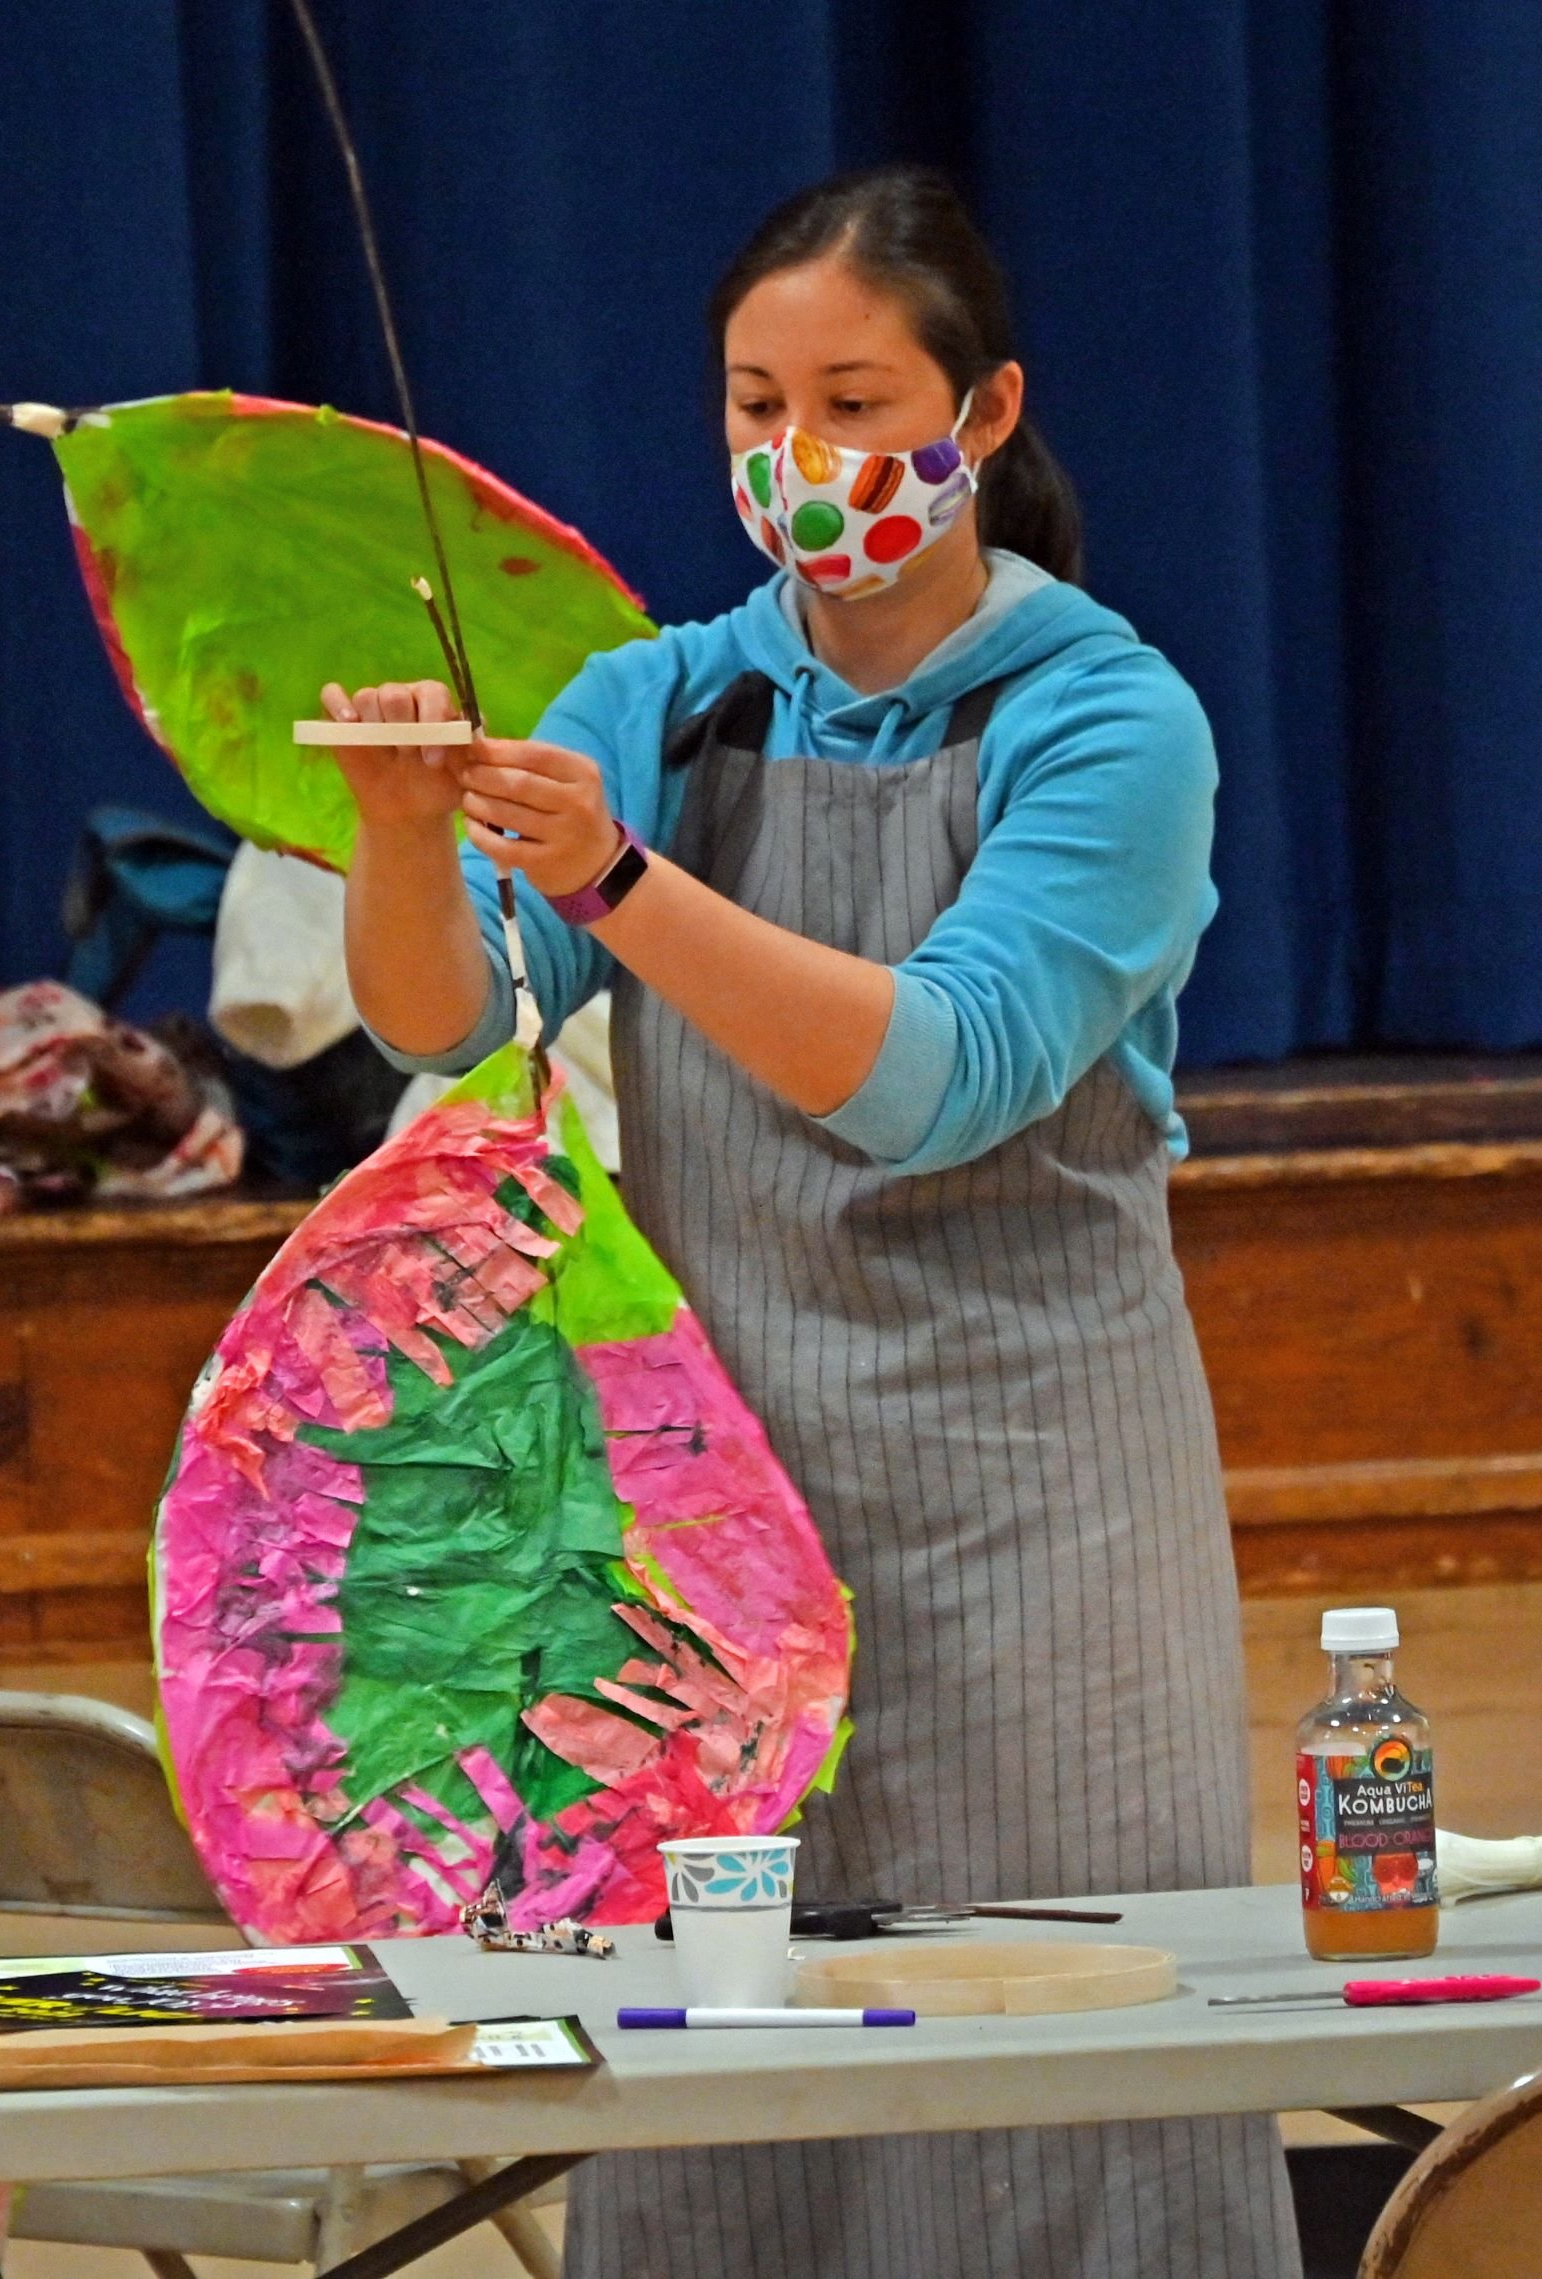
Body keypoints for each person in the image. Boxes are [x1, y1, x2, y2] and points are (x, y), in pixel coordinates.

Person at [322, 164, 1301, 2279]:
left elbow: (931, 1079)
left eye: (854, 401)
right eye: (755, 408)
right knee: (724, 2116)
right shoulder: (657, 702)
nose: (800, 460)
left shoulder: (1103, 719)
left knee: (1046, 2124)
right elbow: (447, 1015)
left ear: (983, 406)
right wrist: (404, 845)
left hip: (1037, 1531)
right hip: (723, 1543)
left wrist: (618, 889)